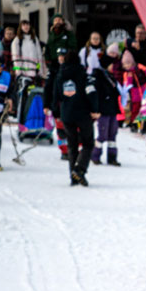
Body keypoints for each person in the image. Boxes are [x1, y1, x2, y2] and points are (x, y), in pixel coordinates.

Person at [49, 44, 97, 186]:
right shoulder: (83, 75)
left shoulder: (60, 75)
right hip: (83, 113)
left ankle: (73, 176)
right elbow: (91, 92)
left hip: (67, 114)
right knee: (88, 143)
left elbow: (56, 95)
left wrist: (56, 112)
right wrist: (95, 109)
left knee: (72, 144)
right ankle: (79, 169)